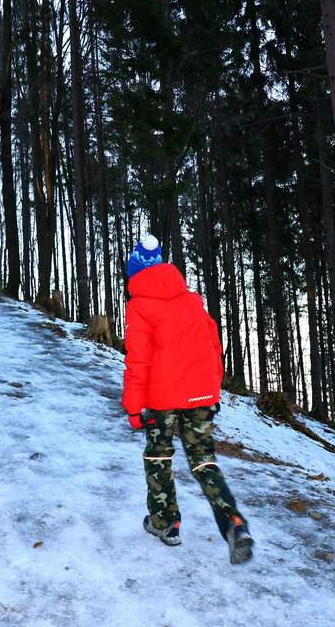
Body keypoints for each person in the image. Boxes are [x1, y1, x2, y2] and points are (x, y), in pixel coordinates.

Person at [121, 234, 254, 564]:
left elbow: (139, 360)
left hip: (163, 398)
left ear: (134, 272)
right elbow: (214, 345)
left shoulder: (139, 306)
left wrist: (133, 407)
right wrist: (213, 386)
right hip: (201, 395)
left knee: (158, 455)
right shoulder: (192, 301)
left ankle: (165, 523)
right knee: (203, 459)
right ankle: (234, 523)